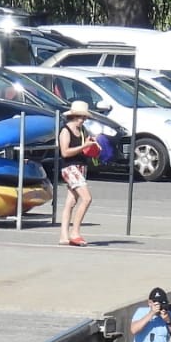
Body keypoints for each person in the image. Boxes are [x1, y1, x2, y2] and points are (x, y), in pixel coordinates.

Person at [56, 101, 97, 247]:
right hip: (70, 167)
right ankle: (75, 232)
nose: (83, 120)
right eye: (80, 117)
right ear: (73, 116)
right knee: (87, 198)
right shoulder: (65, 130)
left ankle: (64, 235)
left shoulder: (82, 130)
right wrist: (84, 146)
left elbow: (83, 148)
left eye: (84, 117)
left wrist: (90, 146)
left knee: (71, 202)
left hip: (80, 166)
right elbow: (65, 152)